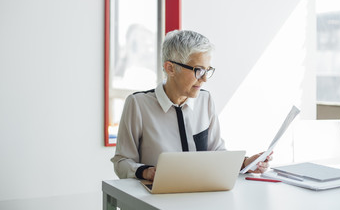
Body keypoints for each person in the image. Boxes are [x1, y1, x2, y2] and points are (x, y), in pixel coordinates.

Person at [111, 30, 272, 180]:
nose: (204, 79)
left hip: (201, 195)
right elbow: (121, 162)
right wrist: (145, 171)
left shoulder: (205, 100)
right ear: (170, 68)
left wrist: (246, 163)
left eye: (207, 70)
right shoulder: (138, 104)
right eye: (198, 70)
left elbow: (216, 153)